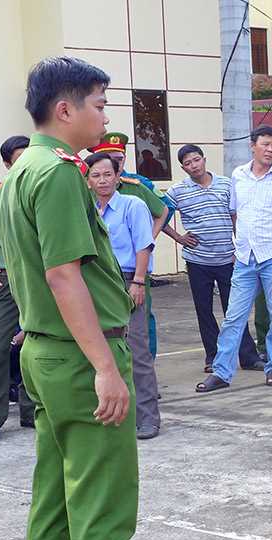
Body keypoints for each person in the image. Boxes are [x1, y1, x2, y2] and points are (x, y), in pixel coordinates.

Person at [0, 55, 203, 540]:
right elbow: (65, 276)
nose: (105, 115)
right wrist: (106, 369)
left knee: (55, 509)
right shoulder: (59, 173)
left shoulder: (20, 171)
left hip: (45, 353)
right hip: (79, 357)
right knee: (102, 512)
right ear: (65, 109)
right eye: (98, 103)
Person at [196, 124, 272, 392]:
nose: (270, 150)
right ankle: (221, 372)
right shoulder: (238, 175)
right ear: (252, 146)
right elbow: (235, 212)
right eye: (265, 144)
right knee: (234, 316)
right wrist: (240, 242)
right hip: (245, 259)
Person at [163, 144, 263, 372]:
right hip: (197, 261)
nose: (193, 166)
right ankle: (213, 357)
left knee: (235, 309)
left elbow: (237, 217)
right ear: (183, 168)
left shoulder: (226, 185)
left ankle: (248, 357)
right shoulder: (177, 191)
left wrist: (240, 250)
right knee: (204, 310)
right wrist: (178, 237)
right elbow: (159, 214)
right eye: (188, 163)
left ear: (204, 159)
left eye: (196, 160)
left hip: (228, 259)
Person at [85, 152, 161, 439]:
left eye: (108, 174)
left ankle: (148, 418)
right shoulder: (88, 209)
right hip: (97, 283)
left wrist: (139, 281)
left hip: (129, 280)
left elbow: (144, 244)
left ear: (118, 177)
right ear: (88, 181)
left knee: (136, 348)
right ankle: (110, 415)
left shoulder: (133, 204)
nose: (103, 180)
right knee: (100, 349)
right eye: (96, 175)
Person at [0, 135, 36, 443]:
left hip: (40, 280)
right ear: (8, 163)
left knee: (38, 344)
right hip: (6, 280)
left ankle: (32, 410)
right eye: (19, 158)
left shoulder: (42, 191)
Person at [90, 132, 170, 357]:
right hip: (100, 277)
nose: (103, 179)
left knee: (138, 331)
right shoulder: (88, 201)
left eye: (118, 159)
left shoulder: (135, 190)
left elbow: (163, 210)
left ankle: (146, 368)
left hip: (130, 274)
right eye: (96, 175)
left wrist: (147, 240)